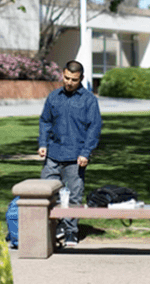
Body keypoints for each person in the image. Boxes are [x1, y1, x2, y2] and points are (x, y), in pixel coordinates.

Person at [37, 60, 102, 248]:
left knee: (74, 195)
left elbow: (94, 128)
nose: (69, 82)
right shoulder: (53, 97)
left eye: (74, 79)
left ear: (81, 78)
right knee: (46, 193)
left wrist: (86, 152)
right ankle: (52, 228)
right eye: (66, 78)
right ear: (62, 75)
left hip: (76, 156)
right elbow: (45, 121)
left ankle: (71, 232)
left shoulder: (89, 100)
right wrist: (43, 143)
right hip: (53, 154)